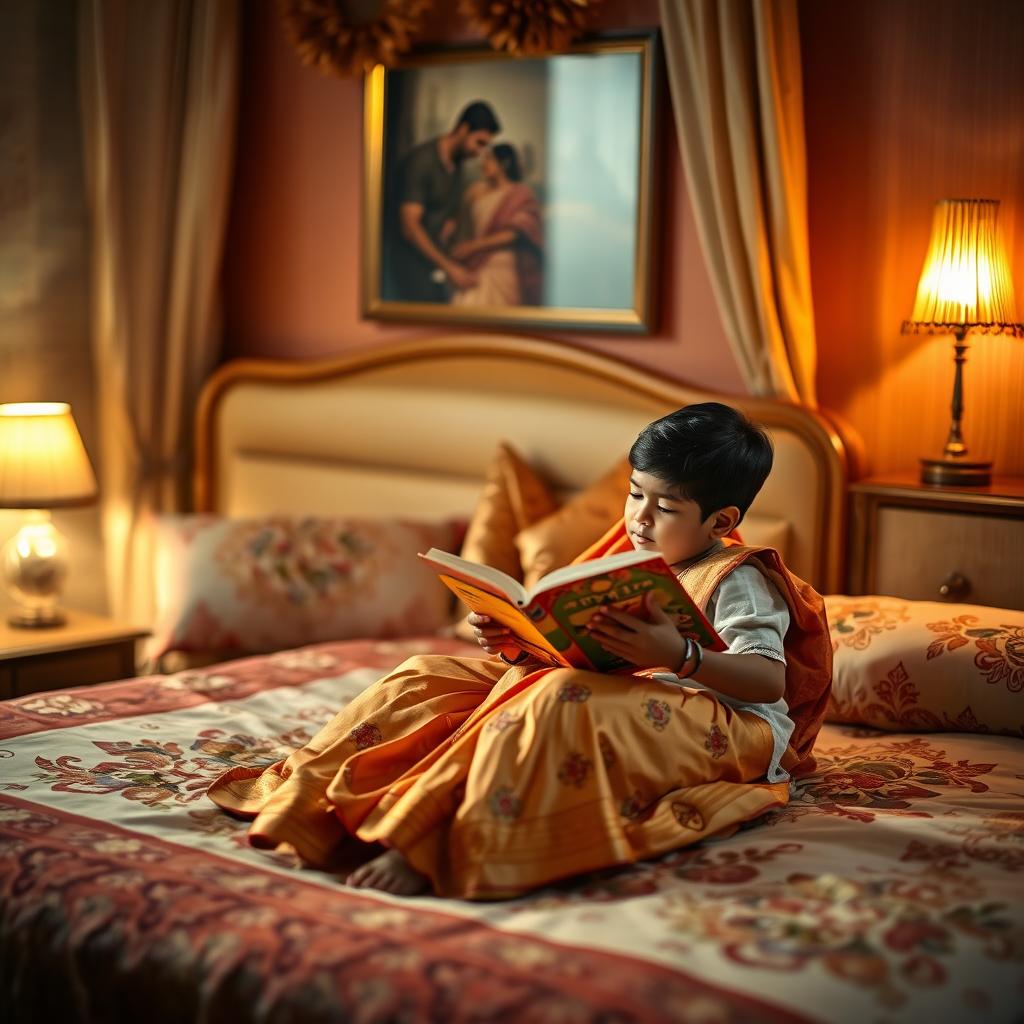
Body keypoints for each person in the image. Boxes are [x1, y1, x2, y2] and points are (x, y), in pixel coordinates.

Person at [207, 403, 832, 900]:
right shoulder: (633, 555)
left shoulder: (739, 576)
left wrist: (678, 654)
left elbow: (767, 682)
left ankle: (435, 841)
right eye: (635, 493)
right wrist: (514, 641)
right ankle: (317, 800)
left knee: (556, 698)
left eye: (665, 506)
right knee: (426, 676)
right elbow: (580, 651)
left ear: (721, 522)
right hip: (629, 694)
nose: (640, 517)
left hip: (728, 720)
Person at [386, 100, 500, 303]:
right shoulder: (421, 162)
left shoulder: (457, 164)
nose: (479, 152)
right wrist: (450, 268)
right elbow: (410, 227)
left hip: (433, 261)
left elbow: (446, 209)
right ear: (463, 129)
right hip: (408, 265)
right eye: (479, 142)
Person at [449, 143, 543, 307]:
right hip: (476, 264)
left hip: (503, 265)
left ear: (503, 163)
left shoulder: (520, 194)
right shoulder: (475, 191)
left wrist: (474, 246)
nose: (483, 164)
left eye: (488, 159)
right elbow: (462, 224)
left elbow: (518, 232)